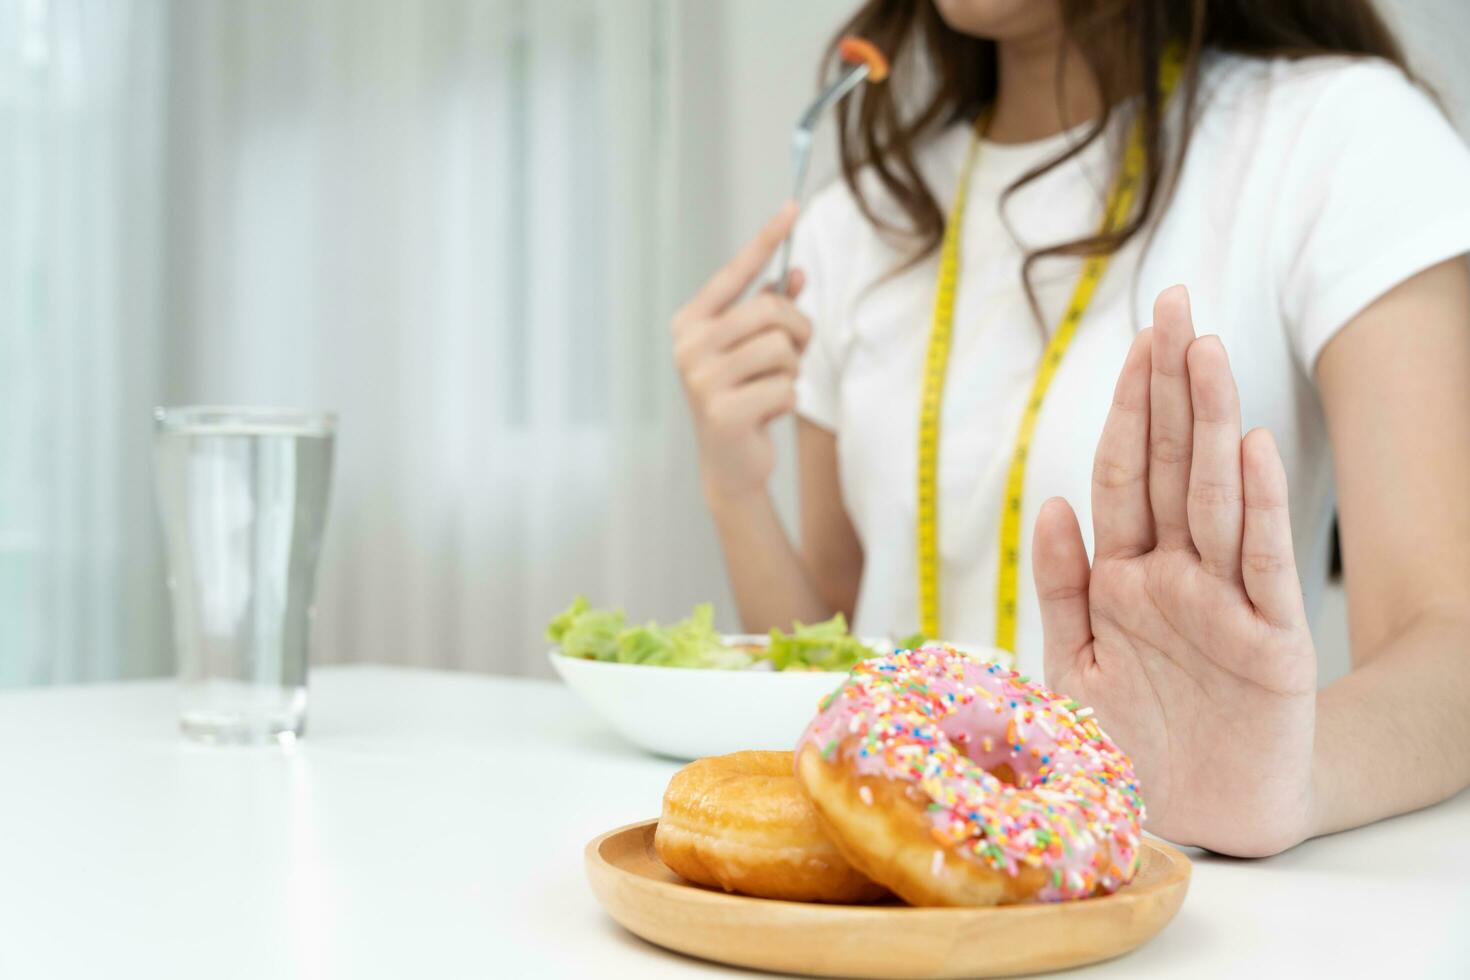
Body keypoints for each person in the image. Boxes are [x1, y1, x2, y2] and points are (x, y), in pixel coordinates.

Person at [672, 0, 1470, 856]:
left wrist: (1289, 781)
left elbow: (1448, 634)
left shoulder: (1342, 138)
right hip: (902, 903)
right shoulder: (857, 221)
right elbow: (835, 657)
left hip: (1184, 898)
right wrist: (735, 488)